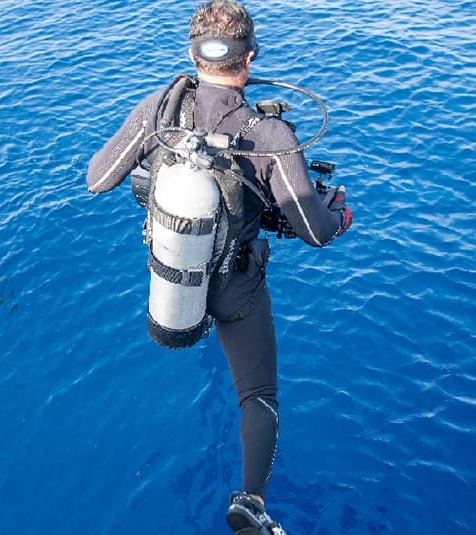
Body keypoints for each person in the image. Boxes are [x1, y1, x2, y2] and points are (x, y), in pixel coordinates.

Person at [85, 1, 351, 533]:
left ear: (192, 53)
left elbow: (97, 178)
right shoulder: (269, 135)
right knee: (259, 398)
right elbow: (315, 230)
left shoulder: (160, 110)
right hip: (235, 288)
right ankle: (252, 501)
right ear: (248, 59)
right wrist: (339, 212)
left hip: (175, 275)